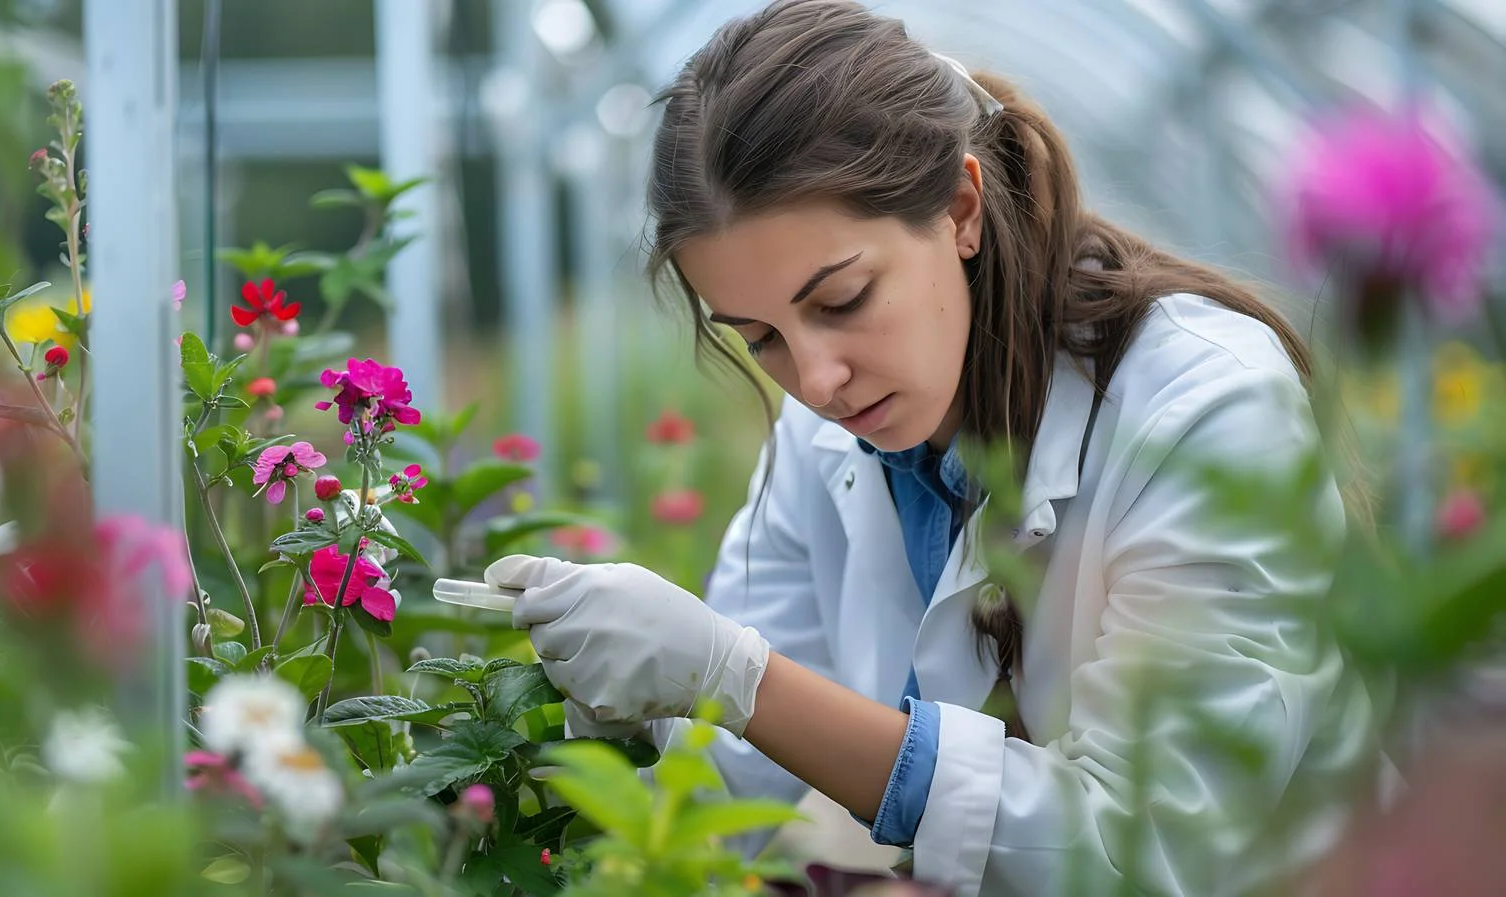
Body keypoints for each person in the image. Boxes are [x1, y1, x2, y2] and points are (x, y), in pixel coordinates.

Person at [484, 1, 1383, 894]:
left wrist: (737, 676)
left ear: (961, 208)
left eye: (841, 300)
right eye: (760, 337)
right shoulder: (826, 440)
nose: (817, 380)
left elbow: (1141, 841)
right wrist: (581, 728)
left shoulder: (1203, 406)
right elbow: (726, 777)